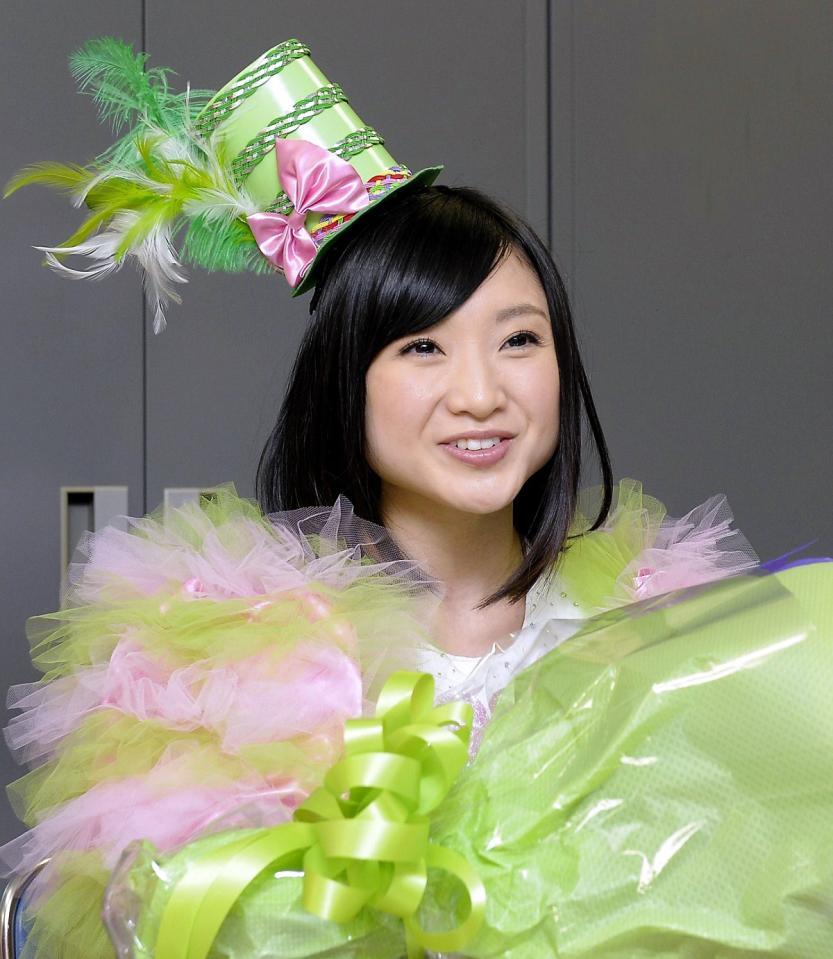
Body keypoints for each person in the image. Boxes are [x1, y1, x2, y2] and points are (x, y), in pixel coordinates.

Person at [2, 36, 832, 959]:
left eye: (518, 340)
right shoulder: (228, 662)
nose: (480, 393)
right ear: (345, 382)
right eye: (423, 348)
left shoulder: (651, 625)